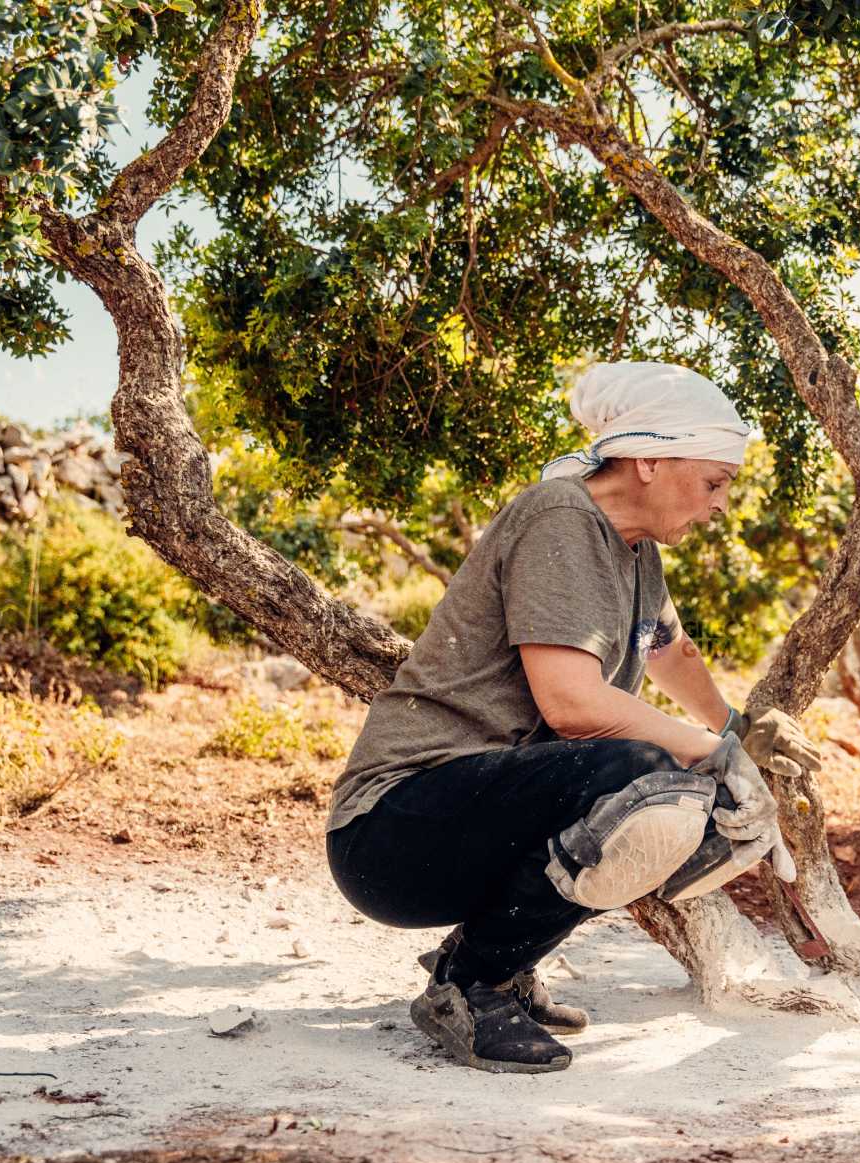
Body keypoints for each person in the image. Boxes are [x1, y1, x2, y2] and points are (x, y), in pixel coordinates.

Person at [327, 361, 824, 1075]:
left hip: (464, 819)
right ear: (650, 459)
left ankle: (490, 960)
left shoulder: (634, 550)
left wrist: (734, 727)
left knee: (667, 784)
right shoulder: (561, 516)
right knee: (650, 783)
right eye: (715, 483)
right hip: (392, 832)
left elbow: (667, 650)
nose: (720, 506)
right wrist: (713, 756)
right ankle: (470, 989)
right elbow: (574, 703)